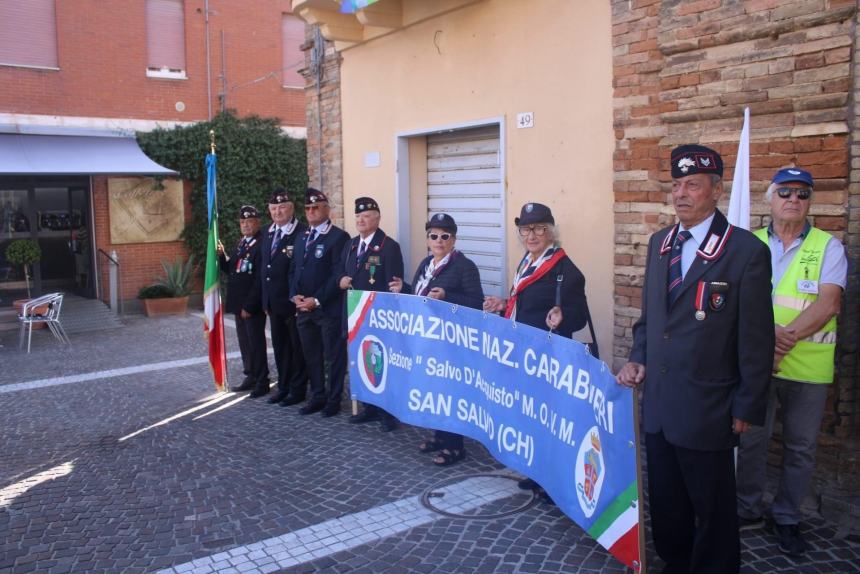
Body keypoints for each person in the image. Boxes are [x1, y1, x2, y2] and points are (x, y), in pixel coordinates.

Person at [616, 144, 774, 574]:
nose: (681, 193)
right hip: (661, 403)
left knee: (713, 508)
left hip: (709, 405)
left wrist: (746, 404)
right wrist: (638, 358)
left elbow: (756, 339)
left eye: (693, 185)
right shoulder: (660, 244)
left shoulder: (744, 251)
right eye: (677, 184)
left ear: (716, 191)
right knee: (666, 500)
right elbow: (651, 319)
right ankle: (676, 563)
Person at [736, 168, 848, 557]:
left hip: (808, 369)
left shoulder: (827, 246)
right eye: (785, 192)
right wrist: (766, 346)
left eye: (802, 194)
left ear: (810, 202)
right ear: (770, 198)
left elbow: (829, 303)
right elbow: (735, 302)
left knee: (800, 448)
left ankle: (786, 517)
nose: (793, 199)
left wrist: (779, 343)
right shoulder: (747, 243)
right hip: (756, 365)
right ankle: (746, 507)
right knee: (751, 439)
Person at [484, 202, 590, 493]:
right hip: (525, 353)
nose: (532, 235)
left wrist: (563, 315)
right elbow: (525, 303)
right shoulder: (526, 262)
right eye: (526, 229)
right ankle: (538, 471)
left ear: (551, 232)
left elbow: (579, 315)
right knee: (532, 417)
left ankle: (555, 482)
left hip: (548, 357)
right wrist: (504, 304)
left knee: (550, 420)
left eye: (539, 228)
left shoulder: (565, 270)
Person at [391, 213, 484, 465]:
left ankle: (455, 446)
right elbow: (422, 297)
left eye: (445, 236)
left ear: (454, 240)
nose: (439, 240)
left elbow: (477, 304)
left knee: (450, 393)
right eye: (434, 236)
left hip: (450, 345)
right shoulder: (426, 264)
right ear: (428, 239)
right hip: (427, 341)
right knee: (432, 390)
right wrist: (405, 289)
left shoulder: (465, 266)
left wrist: (447, 296)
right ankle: (439, 436)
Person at [339, 197, 405, 432]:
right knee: (361, 362)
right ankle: (369, 407)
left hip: (379, 318)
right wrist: (341, 280)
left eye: (365, 216)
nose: (360, 220)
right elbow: (341, 271)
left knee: (383, 364)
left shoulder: (389, 246)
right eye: (357, 216)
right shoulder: (351, 245)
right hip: (356, 315)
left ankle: (388, 412)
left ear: (377, 218)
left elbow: (394, 286)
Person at [290, 188, 350, 417]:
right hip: (303, 308)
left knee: (333, 357)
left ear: (327, 209)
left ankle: (333, 400)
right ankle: (318, 396)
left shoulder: (338, 237)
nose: (311, 211)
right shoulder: (302, 236)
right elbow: (294, 270)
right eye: (307, 208)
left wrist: (316, 300)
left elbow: (337, 275)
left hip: (328, 310)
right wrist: (294, 294)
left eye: (316, 207)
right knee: (312, 356)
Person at [261, 189, 308, 406]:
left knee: (296, 349)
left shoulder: (302, 232)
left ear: (291, 208)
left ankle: (297, 390)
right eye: (273, 208)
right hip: (274, 304)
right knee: (280, 348)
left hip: (292, 303)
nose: (277, 212)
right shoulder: (267, 232)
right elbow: (264, 270)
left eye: (282, 207)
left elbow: (300, 270)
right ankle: (284, 386)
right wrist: (265, 301)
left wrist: (294, 298)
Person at [218, 205, 269, 397]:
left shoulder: (261, 244)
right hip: (239, 304)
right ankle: (251, 375)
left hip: (251, 306)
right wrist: (223, 256)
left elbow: (259, 279)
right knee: (244, 343)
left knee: (256, 343)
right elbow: (233, 270)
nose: (246, 225)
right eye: (242, 222)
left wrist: (249, 305)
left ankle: (262, 380)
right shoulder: (242, 243)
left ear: (257, 223)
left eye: (249, 221)